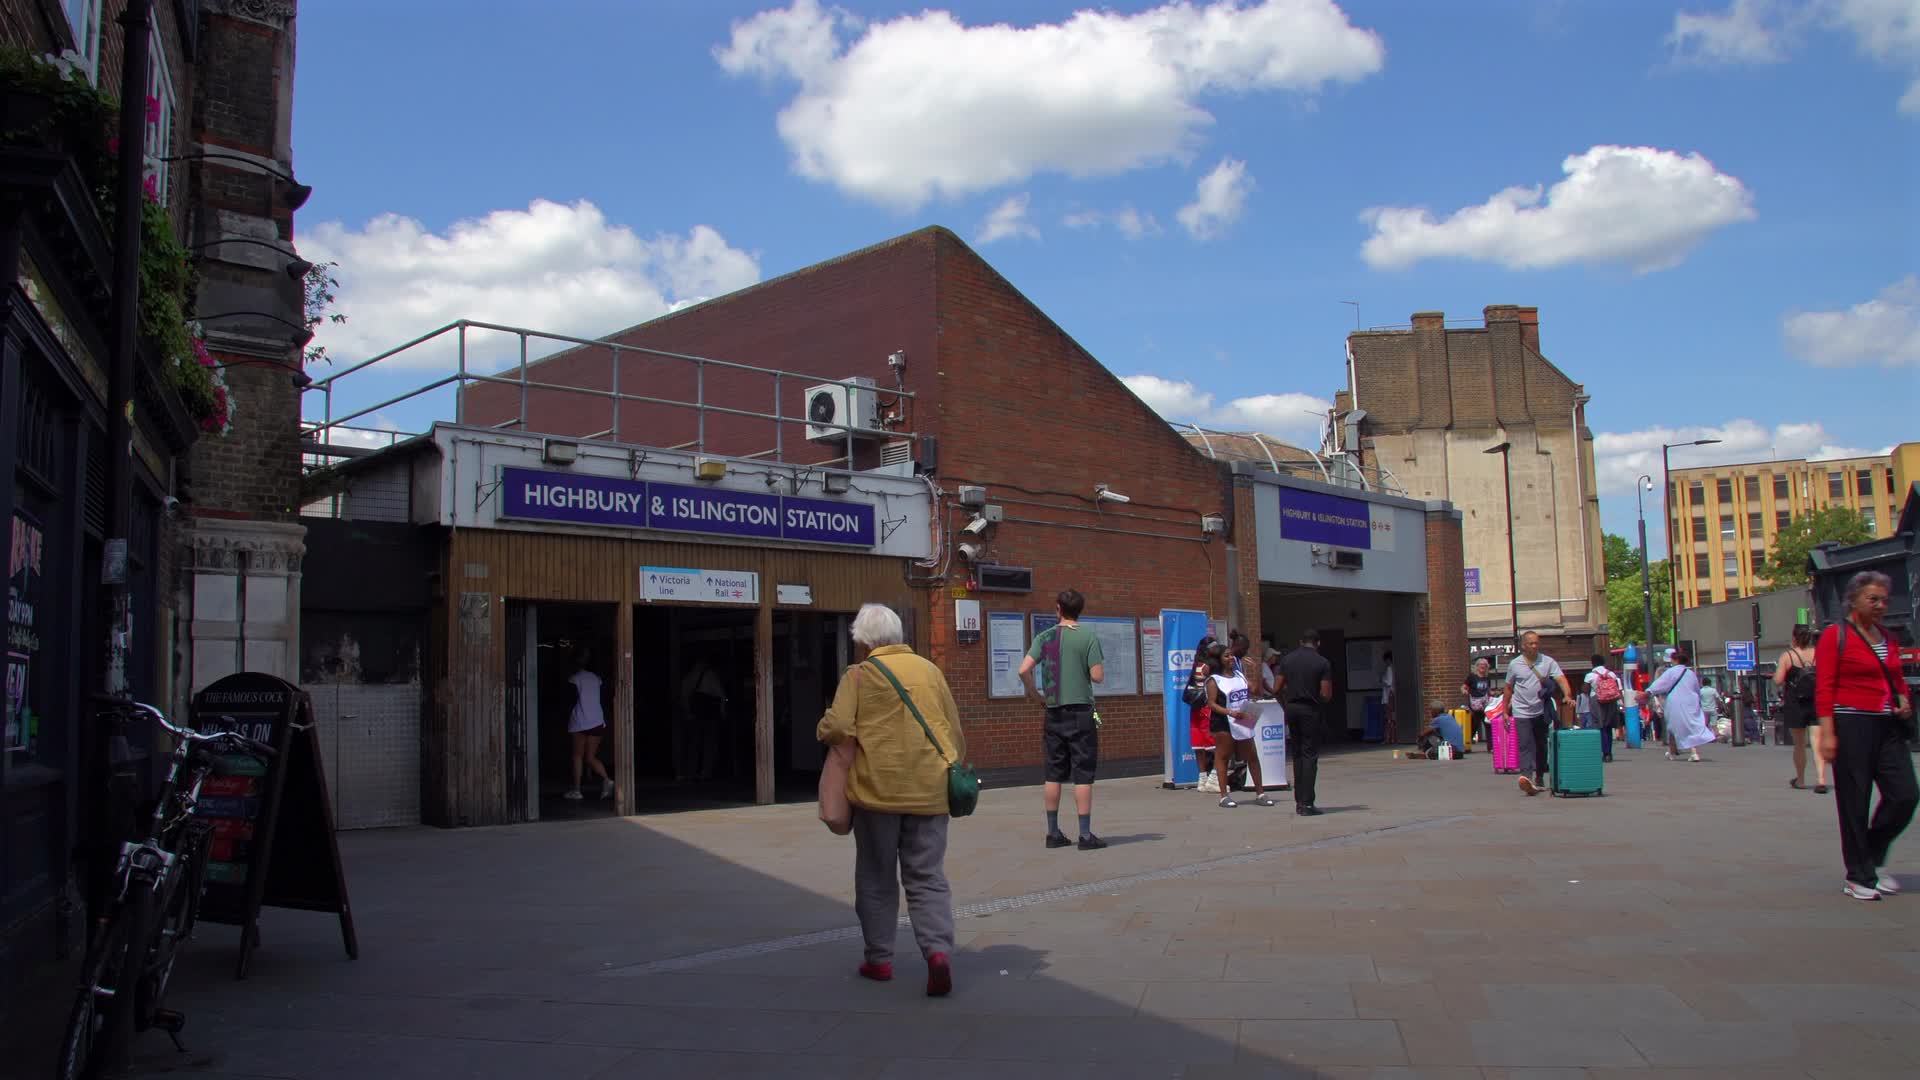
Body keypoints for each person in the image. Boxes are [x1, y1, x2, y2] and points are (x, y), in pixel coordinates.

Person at [816, 603, 966, 994]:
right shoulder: (930, 671)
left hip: (876, 795)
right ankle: (937, 953)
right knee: (927, 876)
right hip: (930, 793)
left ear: (863, 641)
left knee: (876, 876)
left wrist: (822, 727)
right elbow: (953, 729)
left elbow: (838, 726)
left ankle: (879, 960)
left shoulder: (859, 675)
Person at [1815, 571, 1917, 902]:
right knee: (1855, 802)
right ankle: (1858, 876)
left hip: (1886, 725)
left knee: (1905, 795)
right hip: (1850, 723)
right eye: (1873, 599)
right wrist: (1828, 734)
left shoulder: (1887, 637)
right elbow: (1825, 686)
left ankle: (1871, 854)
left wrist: (1903, 699)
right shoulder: (1835, 635)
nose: (1880, 605)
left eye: (1884, 599)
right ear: (1854, 599)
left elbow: (1897, 677)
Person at [1019, 588, 1107, 850]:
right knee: (1083, 775)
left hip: (1053, 711)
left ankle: (1053, 832)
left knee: (1053, 773)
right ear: (1080, 610)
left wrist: (1036, 695)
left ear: (1058, 608)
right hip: (1080, 713)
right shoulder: (1088, 637)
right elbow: (1098, 676)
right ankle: (1085, 835)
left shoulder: (1045, 637)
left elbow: (1023, 670)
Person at [1206, 639, 1276, 808]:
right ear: (1219, 659)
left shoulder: (1239, 675)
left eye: (1231, 655)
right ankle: (1224, 796)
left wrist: (1256, 671)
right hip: (1224, 721)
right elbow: (1211, 703)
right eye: (1227, 656)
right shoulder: (1214, 680)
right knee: (1223, 757)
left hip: (1243, 719)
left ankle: (1261, 793)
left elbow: (1256, 691)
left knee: (1252, 756)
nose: (1231, 658)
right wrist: (1230, 712)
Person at [1503, 631, 1571, 797]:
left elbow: (1560, 678)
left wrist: (1567, 694)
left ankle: (1539, 775)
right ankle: (1527, 777)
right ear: (1524, 645)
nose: (1535, 646)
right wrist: (1505, 711)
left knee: (1541, 745)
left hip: (1541, 710)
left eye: (1537, 643)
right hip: (1521, 711)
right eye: (1531, 643)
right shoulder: (1515, 664)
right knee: (1525, 744)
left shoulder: (1548, 662)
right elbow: (1508, 687)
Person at [1275, 630, 1333, 816]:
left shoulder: (1287, 660)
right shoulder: (1322, 662)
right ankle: (1307, 803)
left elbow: (1277, 688)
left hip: (1292, 708)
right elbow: (1326, 694)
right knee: (1310, 755)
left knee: (1297, 754)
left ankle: (1299, 801)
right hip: (1310, 710)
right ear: (1317, 643)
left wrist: (1285, 706)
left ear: (1301, 641)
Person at [1775, 624, 1827, 792]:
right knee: (1817, 742)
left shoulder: (1788, 656)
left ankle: (1801, 780)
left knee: (1800, 744)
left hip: (1795, 702)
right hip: (1816, 700)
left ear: (1794, 637)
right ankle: (1821, 780)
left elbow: (1778, 679)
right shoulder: (1819, 653)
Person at [1647, 648, 1716, 763]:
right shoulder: (1691, 673)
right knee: (1690, 726)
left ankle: (1685, 752)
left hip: (1675, 702)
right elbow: (1696, 689)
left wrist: (1648, 692)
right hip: (1691, 702)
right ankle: (1680, 751)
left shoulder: (1671, 672)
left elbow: (1660, 684)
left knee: (1673, 726)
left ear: (1675, 660)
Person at [564, 650, 613, 801]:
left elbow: (568, 702)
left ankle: (577, 790)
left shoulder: (574, 679)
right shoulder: (597, 679)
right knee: (590, 757)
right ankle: (607, 780)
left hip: (580, 721)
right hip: (597, 721)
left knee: (577, 756)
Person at [1186, 636, 1219, 792]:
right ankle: (1214, 778)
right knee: (1217, 744)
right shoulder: (1209, 667)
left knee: (1198, 745)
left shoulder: (1196, 665)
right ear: (1209, 649)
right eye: (1215, 646)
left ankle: (1202, 779)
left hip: (1195, 709)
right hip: (1207, 708)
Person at [1584, 653, 1624, 763]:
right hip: (1611, 701)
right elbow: (1618, 689)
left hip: (1597, 701)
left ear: (1592, 663)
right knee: (1609, 727)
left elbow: (1585, 690)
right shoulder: (1611, 674)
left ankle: (1604, 752)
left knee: (1600, 727)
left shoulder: (1590, 675)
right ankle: (1609, 752)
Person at [1461, 656, 1494, 745]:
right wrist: (1464, 691)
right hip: (1475, 704)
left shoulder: (1487, 677)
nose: (1482, 666)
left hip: (1485, 704)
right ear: (1477, 666)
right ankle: (1467, 743)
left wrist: (1493, 693)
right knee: (1474, 724)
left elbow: (1488, 689)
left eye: (1485, 665)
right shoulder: (1472, 677)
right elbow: (1464, 686)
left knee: (1488, 723)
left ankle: (1491, 746)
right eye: (1481, 665)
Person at [1379, 649, 1397, 744]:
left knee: (1389, 717)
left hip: (1388, 695)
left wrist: (1382, 679)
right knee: (1391, 717)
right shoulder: (1393, 668)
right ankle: (1392, 737)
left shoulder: (1389, 669)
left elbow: (1389, 682)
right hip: (1390, 694)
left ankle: (1389, 738)